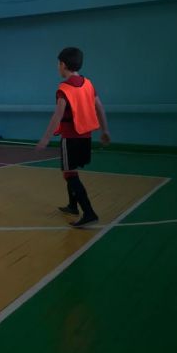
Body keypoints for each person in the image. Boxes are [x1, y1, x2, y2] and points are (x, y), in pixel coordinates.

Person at [36, 47, 111, 227]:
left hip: (70, 137)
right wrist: (105, 131)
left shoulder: (64, 88)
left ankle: (89, 213)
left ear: (63, 65)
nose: (57, 67)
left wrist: (45, 138)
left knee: (70, 174)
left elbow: (58, 115)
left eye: (58, 64)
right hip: (86, 137)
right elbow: (100, 108)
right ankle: (72, 205)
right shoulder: (88, 84)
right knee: (70, 171)